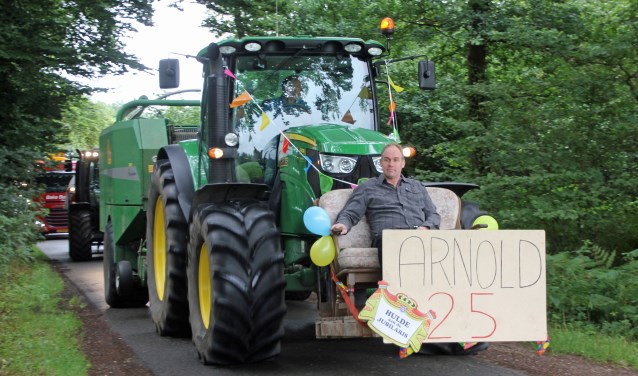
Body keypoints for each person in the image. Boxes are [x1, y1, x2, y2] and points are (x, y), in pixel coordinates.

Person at [330, 142, 440, 265]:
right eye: (387, 160)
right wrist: (342, 224)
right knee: (390, 243)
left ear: (403, 163)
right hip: (389, 238)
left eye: (395, 160)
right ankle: (396, 284)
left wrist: (425, 227)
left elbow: (433, 215)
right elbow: (350, 213)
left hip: (419, 237)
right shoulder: (368, 188)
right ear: (381, 163)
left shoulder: (417, 186)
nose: (391, 164)